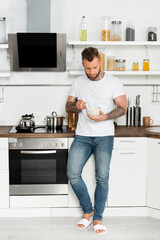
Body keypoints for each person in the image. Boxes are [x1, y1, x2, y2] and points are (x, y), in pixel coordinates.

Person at [65, 47, 127, 235]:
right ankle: (88, 210)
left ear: (99, 62)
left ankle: (97, 217)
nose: (91, 72)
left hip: (104, 136)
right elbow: (68, 107)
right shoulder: (78, 82)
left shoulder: (113, 82)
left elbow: (122, 108)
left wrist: (105, 116)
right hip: (82, 136)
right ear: (83, 65)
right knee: (72, 174)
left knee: (102, 177)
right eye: (87, 69)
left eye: (94, 67)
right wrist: (76, 105)